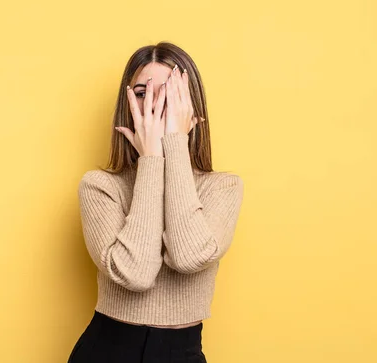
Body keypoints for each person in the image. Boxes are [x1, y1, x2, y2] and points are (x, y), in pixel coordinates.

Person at [67, 41, 244, 363]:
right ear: (127, 106)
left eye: (169, 93)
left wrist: (173, 146)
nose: (153, 103)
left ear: (193, 109)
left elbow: (190, 257)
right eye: (141, 92)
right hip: (106, 350)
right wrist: (151, 159)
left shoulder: (222, 187)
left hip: (182, 352)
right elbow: (135, 275)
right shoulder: (101, 186)